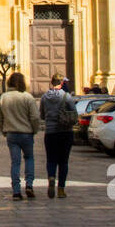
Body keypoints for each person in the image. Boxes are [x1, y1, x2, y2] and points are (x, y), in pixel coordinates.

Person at [0, 72, 40, 200]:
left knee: (15, 162)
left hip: (11, 134)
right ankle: (29, 185)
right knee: (29, 159)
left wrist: (3, 130)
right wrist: (34, 130)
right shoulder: (27, 97)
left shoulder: (3, 98)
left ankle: (16, 191)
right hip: (27, 134)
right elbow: (35, 117)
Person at [39, 71, 76, 199]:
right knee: (63, 161)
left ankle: (51, 178)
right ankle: (61, 189)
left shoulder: (44, 97)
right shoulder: (67, 96)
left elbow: (42, 115)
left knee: (51, 159)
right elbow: (74, 113)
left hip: (50, 132)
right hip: (65, 131)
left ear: (51, 82)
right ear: (61, 83)